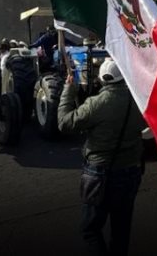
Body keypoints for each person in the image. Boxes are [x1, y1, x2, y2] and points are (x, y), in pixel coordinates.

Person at [58, 59, 145, 256]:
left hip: (99, 174)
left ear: (103, 80)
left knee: (90, 230)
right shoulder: (139, 100)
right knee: (121, 231)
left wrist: (68, 90)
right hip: (131, 172)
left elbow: (64, 123)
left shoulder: (96, 104)